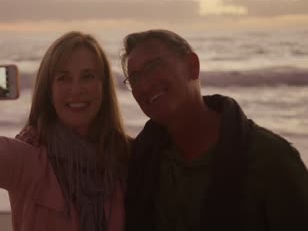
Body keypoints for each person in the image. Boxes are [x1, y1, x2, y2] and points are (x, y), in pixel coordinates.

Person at [0, 31, 130, 231]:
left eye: (88, 76)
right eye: (63, 78)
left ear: (103, 86)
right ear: (49, 91)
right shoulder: (27, 158)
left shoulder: (128, 154)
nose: (76, 89)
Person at [120, 29, 308, 231]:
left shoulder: (271, 158)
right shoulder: (139, 159)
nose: (145, 85)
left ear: (192, 66)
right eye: (135, 78)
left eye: (153, 67)